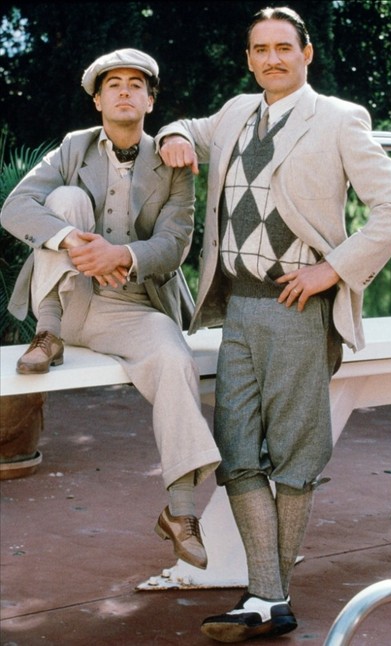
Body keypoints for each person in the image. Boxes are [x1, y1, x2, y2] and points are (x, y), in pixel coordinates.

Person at [156, 6, 391, 642]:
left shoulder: (339, 119)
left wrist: (332, 271)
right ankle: (268, 601)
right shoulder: (237, 111)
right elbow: (186, 123)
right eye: (260, 49)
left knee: (295, 455)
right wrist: (172, 136)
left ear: (306, 55)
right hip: (237, 308)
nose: (272, 58)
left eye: (283, 47)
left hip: (298, 306)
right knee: (238, 453)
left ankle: (270, 597)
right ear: (249, 59)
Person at [1, 48, 221, 571]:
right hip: (70, 298)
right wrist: (79, 245)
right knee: (67, 203)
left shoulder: (173, 162)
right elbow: (15, 207)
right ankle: (47, 334)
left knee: (174, 361)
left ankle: (181, 511)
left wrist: (121, 255)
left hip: (132, 305)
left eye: (135, 84)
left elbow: (174, 243)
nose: (124, 90)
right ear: (98, 98)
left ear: (150, 99)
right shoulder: (73, 147)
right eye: (113, 83)